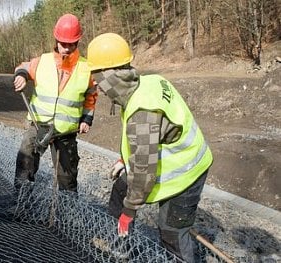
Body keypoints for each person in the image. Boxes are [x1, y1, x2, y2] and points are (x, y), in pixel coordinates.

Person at [87, 33, 213, 263]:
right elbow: (144, 139)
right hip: (166, 160)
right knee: (120, 189)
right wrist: (124, 160)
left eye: (97, 76)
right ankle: (121, 246)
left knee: (172, 233)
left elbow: (144, 172)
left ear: (112, 74)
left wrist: (129, 211)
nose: (95, 83)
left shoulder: (141, 113)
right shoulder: (147, 82)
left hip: (186, 171)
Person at [12, 13, 98, 192]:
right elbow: (23, 68)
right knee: (25, 163)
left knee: (67, 178)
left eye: (71, 44)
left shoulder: (86, 68)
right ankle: (20, 206)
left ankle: (67, 214)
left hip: (66, 132)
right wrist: (21, 76)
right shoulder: (41, 61)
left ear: (77, 42)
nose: (66, 48)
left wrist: (86, 119)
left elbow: (91, 96)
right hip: (39, 125)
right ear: (56, 40)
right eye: (63, 43)